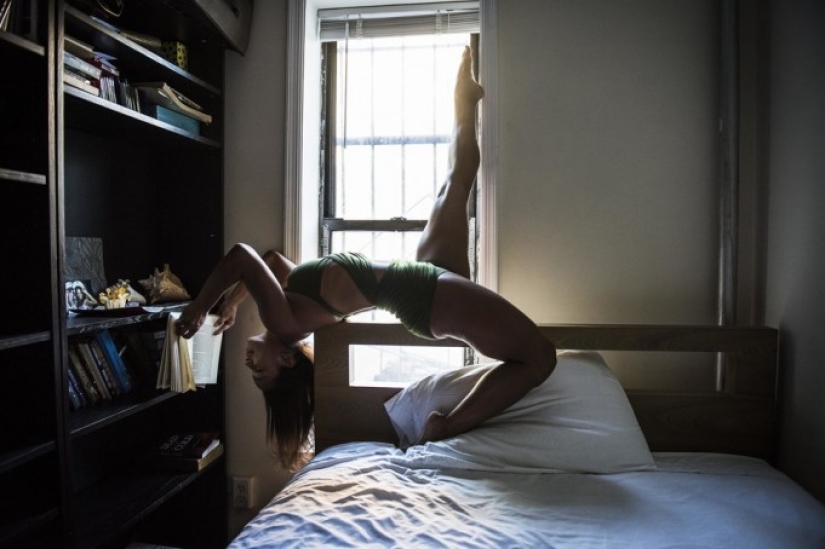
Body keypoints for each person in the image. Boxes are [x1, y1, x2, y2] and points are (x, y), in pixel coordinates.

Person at [175, 47, 557, 469]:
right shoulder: (284, 323)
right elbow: (241, 256)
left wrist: (230, 301)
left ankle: (464, 101)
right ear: (285, 358)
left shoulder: (290, 304)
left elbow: (265, 259)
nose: (249, 364)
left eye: (251, 371)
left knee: (457, 180)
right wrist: (199, 306)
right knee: (539, 357)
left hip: (422, 279)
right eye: (260, 372)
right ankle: (446, 426)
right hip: (427, 297)